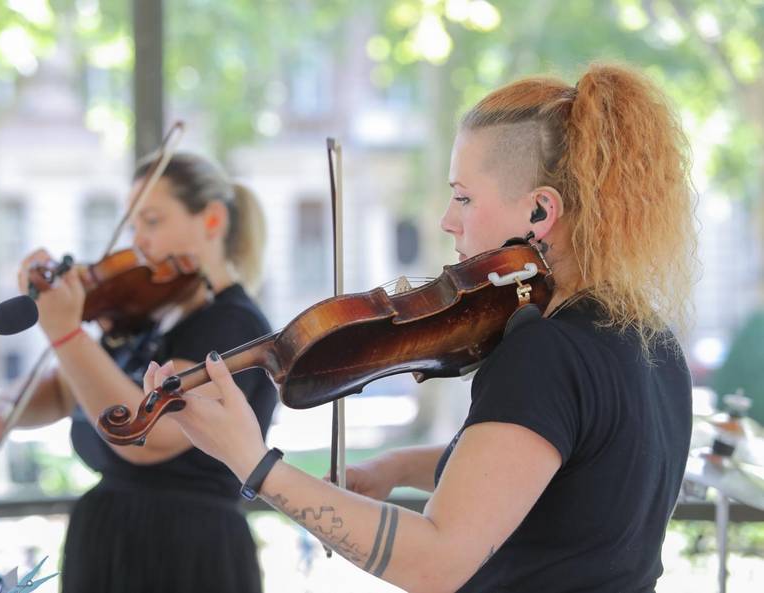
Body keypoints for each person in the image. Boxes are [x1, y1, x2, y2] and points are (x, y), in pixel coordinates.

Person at [144, 63, 696, 593]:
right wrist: (397, 466)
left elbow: (435, 562)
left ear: (539, 212)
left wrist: (252, 462)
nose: (447, 220)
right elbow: (541, 476)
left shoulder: (543, 354)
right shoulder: (651, 339)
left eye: (463, 197)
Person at [0, 152, 277, 593]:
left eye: (152, 221)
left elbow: (148, 433)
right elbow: (66, 390)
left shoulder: (234, 325)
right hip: (109, 541)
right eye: (133, 226)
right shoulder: (146, 314)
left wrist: (67, 333)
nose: (138, 242)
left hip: (185, 554)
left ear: (211, 220)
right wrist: (4, 405)